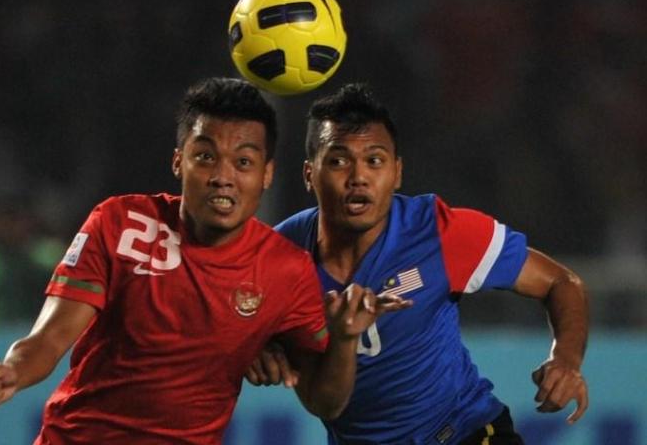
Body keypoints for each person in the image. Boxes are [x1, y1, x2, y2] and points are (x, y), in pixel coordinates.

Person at [0, 77, 408, 444]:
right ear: (179, 162)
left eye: (243, 162)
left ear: (267, 174)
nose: (223, 177)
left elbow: (324, 400)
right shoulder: (121, 222)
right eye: (205, 157)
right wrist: (11, 371)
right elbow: (49, 339)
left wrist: (344, 340)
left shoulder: (286, 270)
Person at [246, 83, 589, 444]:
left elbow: (561, 282)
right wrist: (255, 345)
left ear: (397, 173)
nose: (358, 177)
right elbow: (324, 403)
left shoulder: (440, 231)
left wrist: (565, 359)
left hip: (465, 433)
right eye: (338, 160)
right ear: (309, 174)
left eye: (374, 160)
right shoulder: (279, 259)